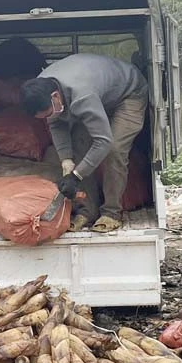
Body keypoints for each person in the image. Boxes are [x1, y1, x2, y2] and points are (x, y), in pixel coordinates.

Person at [21, 53, 148, 232]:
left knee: (114, 149)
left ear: (55, 97)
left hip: (128, 94)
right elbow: (56, 125)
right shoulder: (40, 89)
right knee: (79, 145)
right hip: (99, 94)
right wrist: (66, 160)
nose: (48, 118)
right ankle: (87, 210)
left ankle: (111, 212)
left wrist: (76, 176)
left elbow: (103, 141)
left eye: (48, 113)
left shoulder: (81, 95)